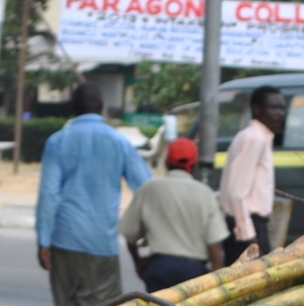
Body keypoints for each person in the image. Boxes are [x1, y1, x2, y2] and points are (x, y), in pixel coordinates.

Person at [36, 81, 153, 306]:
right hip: (102, 243)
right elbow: (147, 188)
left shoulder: (57, 142)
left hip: (64, 240)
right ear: (101, 108)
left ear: (73, 108)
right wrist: (145, 229)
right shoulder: (120, 142)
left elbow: (49, 194)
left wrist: (44, 240)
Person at [120, 138, 228, 293]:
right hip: (195, 272)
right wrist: (219, 281)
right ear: (195, 165)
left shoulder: (149, 189)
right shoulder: (205, 194)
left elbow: (129, 234)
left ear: (166, 162)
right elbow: (215, 244)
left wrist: (138, 263)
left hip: (159, 268)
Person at [219, 85, 287, 263]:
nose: (279, 113)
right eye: (274, 108)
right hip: (247, 227)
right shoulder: (255, 138)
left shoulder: (255, 136)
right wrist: (250, 237)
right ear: (257, 109)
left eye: (282, 108)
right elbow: (237, 191)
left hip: (249, 225)